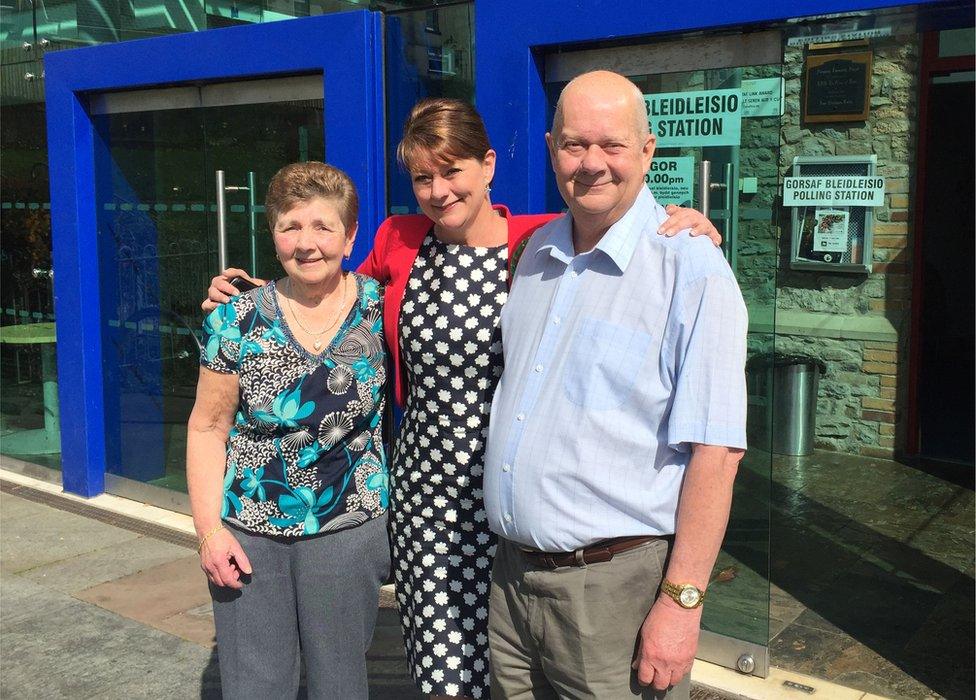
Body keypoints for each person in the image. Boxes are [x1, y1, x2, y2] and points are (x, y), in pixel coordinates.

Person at [204, 99, 720, 700]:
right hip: (424, 502)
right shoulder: (399, 239)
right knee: (445, 675)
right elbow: (333, 294)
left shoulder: (542, 241)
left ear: (488, 165)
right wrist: (256, 298)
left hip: (510, 508)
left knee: (514, 675)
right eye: (423, 177)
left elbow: (618, 229)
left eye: (452, 171)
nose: (439, 191)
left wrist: (686, 223)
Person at [483, 71, 748, 700]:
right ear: (551, 150)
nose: (592, 164)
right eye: (575, 145)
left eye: (613, 145)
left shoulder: (691, 269)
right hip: (511, 583)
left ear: (648, 151)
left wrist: (683, 605)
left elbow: (718, 452)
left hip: (613, 594)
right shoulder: (536, 253)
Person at [187, 161, 390, 699]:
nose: (306, 243)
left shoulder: (382, 304)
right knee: (257, 684)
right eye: (290, 226)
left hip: (349, 528)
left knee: (339, 683)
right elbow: (208, 427)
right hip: (249, 530)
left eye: (323, 226)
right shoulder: (236, 319)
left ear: (350, 236)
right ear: (272, 235)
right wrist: (209, 532)